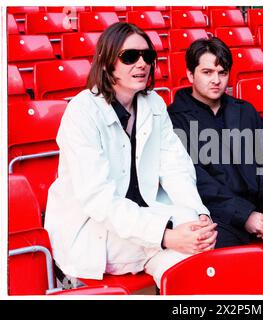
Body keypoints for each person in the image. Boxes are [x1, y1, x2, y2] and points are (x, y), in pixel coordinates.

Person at [44, 22, 217, 288]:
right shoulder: (81, 112)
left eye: (147, 56)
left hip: (145, 216)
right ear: (105, 62)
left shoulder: (154, 103)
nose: (142, 63)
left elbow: (176, 168)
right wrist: (166, 236)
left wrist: (197, 215)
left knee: (196, 246)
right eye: (129, 57)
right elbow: (99, 199)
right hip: (96, 228)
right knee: (185, 254)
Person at [168, 38, 263, 247]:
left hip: (262, 205)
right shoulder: (173, 119)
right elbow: (196, 181)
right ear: (190, 74)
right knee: (222, 254)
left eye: (222, 73)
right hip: (216, 214)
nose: (216, 80)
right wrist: (245, 216)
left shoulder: (245, 110)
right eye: (207, 72)